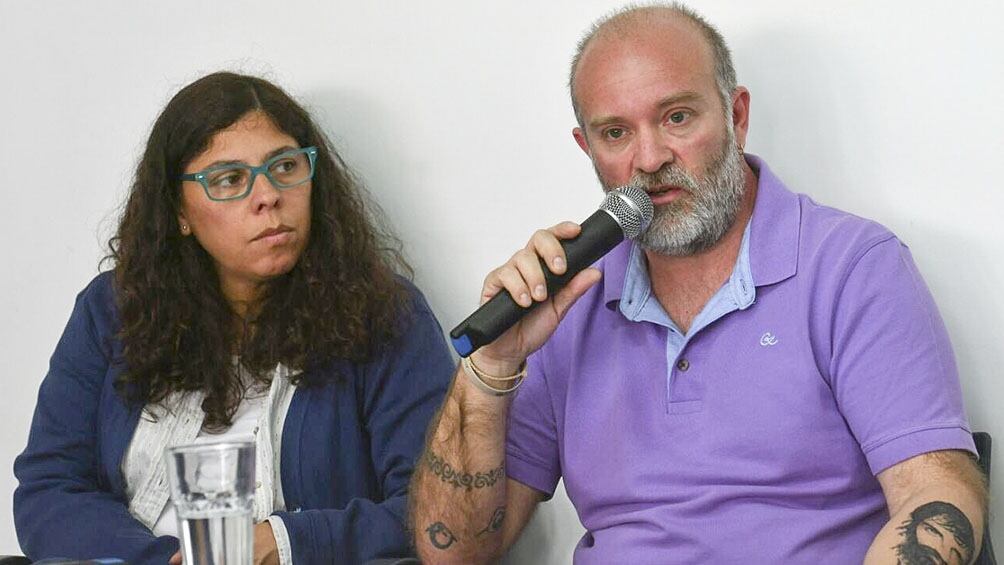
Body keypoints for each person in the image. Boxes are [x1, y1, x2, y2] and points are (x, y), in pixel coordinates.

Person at [410, 4, 987, 564]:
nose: (649, 158)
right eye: (616, 133)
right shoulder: (567, 299)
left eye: (677, 117)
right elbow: (453, 551)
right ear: (588, 149)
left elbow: (935, 494)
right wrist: (491, 369)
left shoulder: (852, 267)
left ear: (737, 116)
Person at [14, 72, 454, 565]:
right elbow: (48, 490)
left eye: (285, 166)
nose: (268, 195)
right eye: (229, 179)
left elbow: (437, 515)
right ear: (179, 211)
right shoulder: (113, 309)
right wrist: (165, 560)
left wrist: (286, 542)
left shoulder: (383, 314)